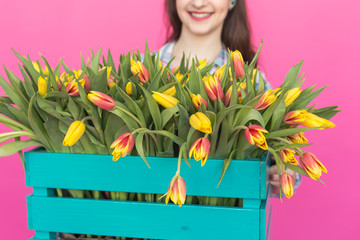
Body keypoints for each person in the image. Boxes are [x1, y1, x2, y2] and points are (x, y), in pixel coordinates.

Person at [157, 0, 301, 196]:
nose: (199, 3)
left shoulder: (252, 82)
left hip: (225, 222)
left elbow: (283, 155)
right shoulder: (142, 69)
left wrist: (279, 174)